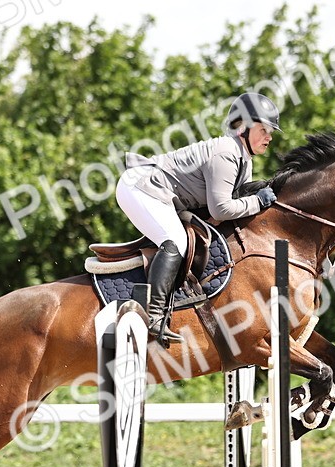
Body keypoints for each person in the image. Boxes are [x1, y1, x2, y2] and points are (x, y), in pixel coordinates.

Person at [116, 92, 281, 346]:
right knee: (176, 241)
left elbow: (233, 205)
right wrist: (258, 201)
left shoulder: (243, 159)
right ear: (243, 127)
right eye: (264, 129)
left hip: (165, 195)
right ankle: (154, 316)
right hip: (140, 187)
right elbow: (222, 210)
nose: (269, 136)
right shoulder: (227, 152)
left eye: (270, 130)